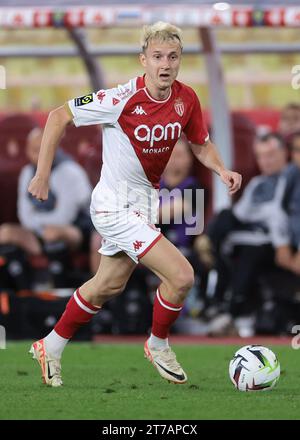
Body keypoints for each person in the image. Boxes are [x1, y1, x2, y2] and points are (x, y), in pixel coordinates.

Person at [27, 22, 241, 387]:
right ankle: (158, 344)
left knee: (107, 286)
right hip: (113, 206)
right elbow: (57, 116)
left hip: (143, 206)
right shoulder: (120, 99)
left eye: (173, 57)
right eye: (157, 56)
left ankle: (51, 344)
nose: (165, 64)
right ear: (144, 60)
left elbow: (200, 141)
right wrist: (42, 174)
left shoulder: (186, 98)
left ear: (179, 61)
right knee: (182, 275)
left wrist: (221, 169)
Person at [195, 133, 289, 335]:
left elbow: (278, 216)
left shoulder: (291, 178)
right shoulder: (257, 184)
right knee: (224, 219)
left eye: (271, 155)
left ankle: (231, 309)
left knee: (247, 249)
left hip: (278, 241)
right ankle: (213, 296)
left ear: (285, 153)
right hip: (252, 236)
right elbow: (240, 215)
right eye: (261, 156)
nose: (266, 161)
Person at [0, 127, 92, 288]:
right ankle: (23, 290)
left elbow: (65, 217)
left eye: (42, 149)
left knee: (53, 233)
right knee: (6, 232)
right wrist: (36, 234)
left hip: (76, 230)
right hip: (39, 231)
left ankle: (62, 285)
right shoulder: (27, 172)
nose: (37, 154)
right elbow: (24, 214)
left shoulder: (69, 171)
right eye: (33, 149)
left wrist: (39, 231)